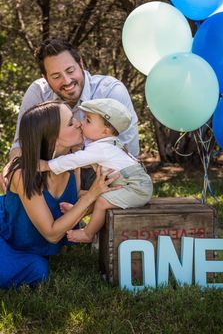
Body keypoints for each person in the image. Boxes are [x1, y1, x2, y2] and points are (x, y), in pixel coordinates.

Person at [0, 100, 119, 289]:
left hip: (36, 247)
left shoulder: (73, 161)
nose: (80, 123)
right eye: (71, 122)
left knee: (38, 267)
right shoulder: (23, 174)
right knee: (37, 271)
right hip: (8, 240)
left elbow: (76, 194)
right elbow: (52, 234)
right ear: (52, 138)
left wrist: (108, 193)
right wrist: (92, 195)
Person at [0, 37, 140, 193]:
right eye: (56, 76)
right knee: (23, 175)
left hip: (103, 170)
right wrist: (14, 165)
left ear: (81, 64)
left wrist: (76, 157)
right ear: (45, 78)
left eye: (70, 71)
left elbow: (128, 151)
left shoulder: (110, 91)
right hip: (53, 169)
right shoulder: (38, 92)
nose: (67, 81)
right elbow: (21, 142)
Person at [40, 98, 153, 243]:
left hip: (136, 188)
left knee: (102, 201)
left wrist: (47, 165)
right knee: (104, 196)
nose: (81, 123)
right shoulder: (106, 143)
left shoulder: (101, 148)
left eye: (88, 120)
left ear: (105, 131)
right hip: (132, 185)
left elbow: (75, 159)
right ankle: (79, 212)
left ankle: (88, 233)